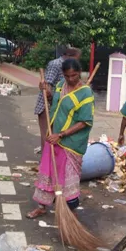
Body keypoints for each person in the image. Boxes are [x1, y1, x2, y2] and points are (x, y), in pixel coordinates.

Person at [28, 58, 94, 219]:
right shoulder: (60, 86)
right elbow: (54, 103)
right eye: (67, 76)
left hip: (71, 143)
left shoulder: (85, 93)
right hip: (54, 137)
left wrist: (62, 135)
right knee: (48, 172)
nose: (71, 79)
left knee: (69, 177)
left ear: (80, 73)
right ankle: (42, 206)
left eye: (74, 75)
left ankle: (70, 212)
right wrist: (47, 93)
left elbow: (85, 121)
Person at [34, 47, 81, 153]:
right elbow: (47, 85)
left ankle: (52, 161)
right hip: (48, 106)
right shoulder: (55, 64)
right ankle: (44, 164)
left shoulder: (69, 67)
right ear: (69, 56)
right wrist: (50, 97)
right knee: (47, 135)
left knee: (55, 136)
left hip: (58, 107)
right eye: (77, 58)